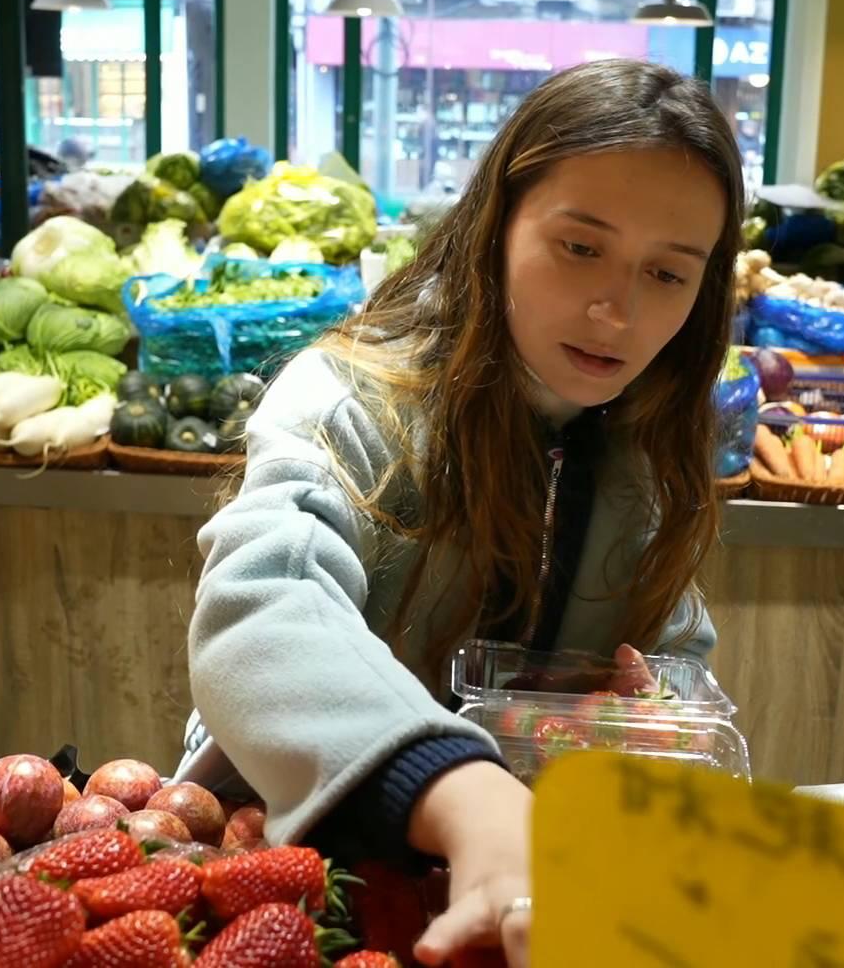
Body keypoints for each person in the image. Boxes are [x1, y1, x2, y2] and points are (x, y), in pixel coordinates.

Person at [176, 59, 745, 967]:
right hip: (297, 880)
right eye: (581, 247)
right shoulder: (349, 399)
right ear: (496, 224)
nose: (617, 309)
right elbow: (264, 605)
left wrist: (645, 714)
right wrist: (464, 790)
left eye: (668, 273)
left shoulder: (646, 450)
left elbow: (679, 661)